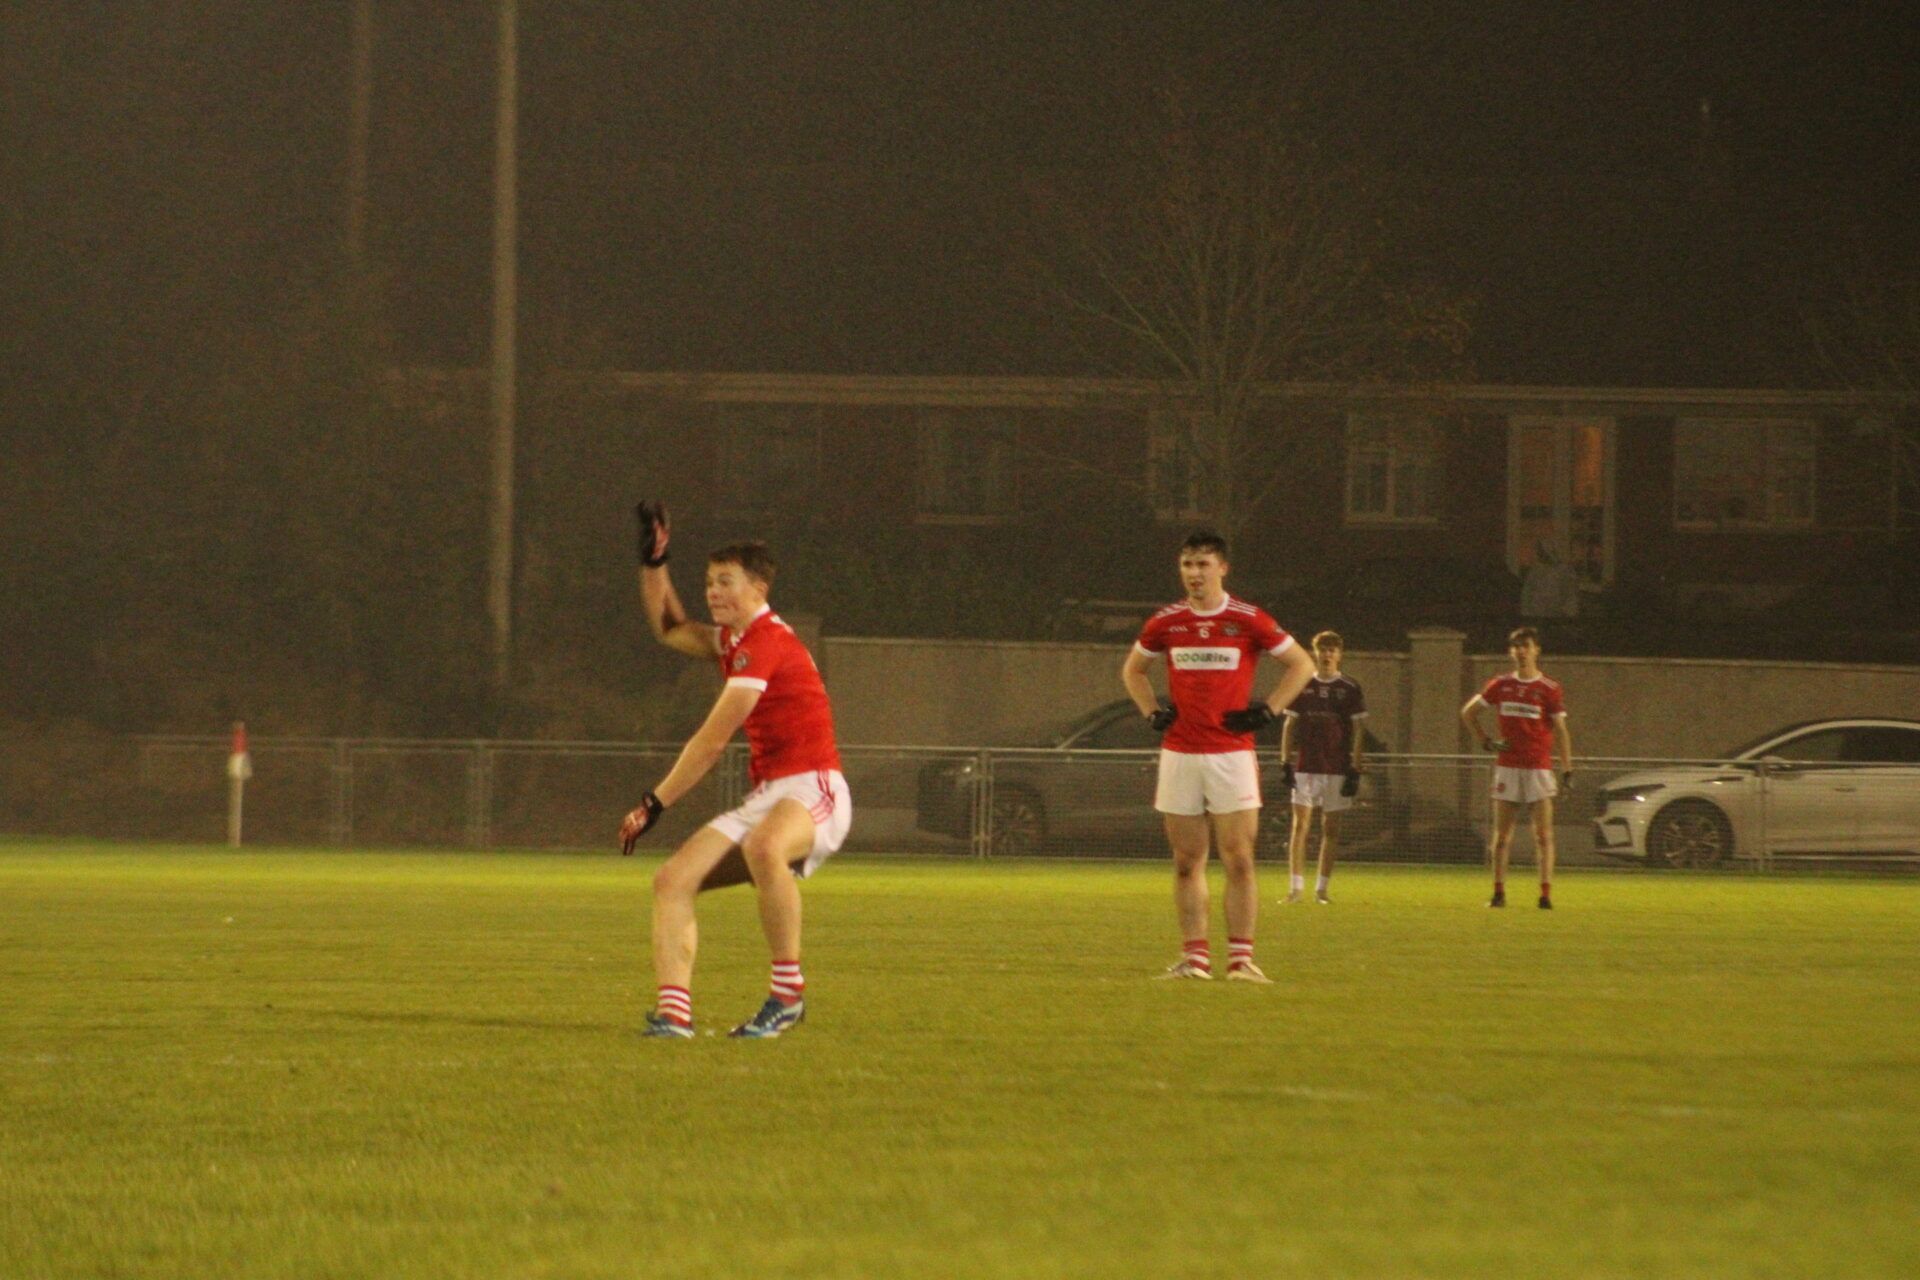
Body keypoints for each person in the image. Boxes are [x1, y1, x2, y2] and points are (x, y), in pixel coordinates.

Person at [618, 502, 852, 1038]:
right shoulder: (735, 641)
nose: (712, 592)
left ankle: (787, 997)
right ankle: (674, 1014)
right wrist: (654, 563)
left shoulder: (765, 642)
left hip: (815, 787)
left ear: (759, 590)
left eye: (725, 582)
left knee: (765, 847)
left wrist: (654, 803)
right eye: (708, 582)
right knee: (673, 880)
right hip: (771, 795)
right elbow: (670, 628)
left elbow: (712, 741)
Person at [1121, 530, 1315, 982]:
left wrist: (1268, 710)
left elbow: (1301, 664)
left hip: (1231, 754)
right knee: (1186, 861)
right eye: (1187, 565)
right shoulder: (1167, 621)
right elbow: (1133, 670)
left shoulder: (1247, 618)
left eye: (1203, 564)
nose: (1194, 573)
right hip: (1180, 754)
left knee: (1239, 858)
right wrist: (1152, 712)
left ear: (1222, 569)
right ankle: (1195, 959)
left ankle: (1241, 960)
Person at [1460, 626, 1574, 909]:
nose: (1521, 651)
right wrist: (1486, 741)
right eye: (1516, 647)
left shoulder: (1549, 688)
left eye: (1526, 646)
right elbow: (1468, 713)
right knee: (1501, 838)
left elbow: (1561, 731)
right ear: (1511, 652)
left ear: (1536, 650)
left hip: (1538, 768)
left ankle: (1545, 896)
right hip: (1508, 768)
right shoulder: (1500, 685)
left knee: (1543, 836)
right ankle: (1498, 894)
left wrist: (1567, 769)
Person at [1277, 631, 1368, 905]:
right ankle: (1295, 889)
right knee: (1300, 827)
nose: (1327, 655)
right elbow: (1289, 725)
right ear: (1315, 653)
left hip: (1337, 768)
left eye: (1332, 650)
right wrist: (1285, 762)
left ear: (1339, 654)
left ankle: (1321, 890)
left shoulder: (1350, 688)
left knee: (1331, 829)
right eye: (1323, 650)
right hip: (1306, 766)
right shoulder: (1303, 684)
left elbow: (1359, 729)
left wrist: (1355, 768)